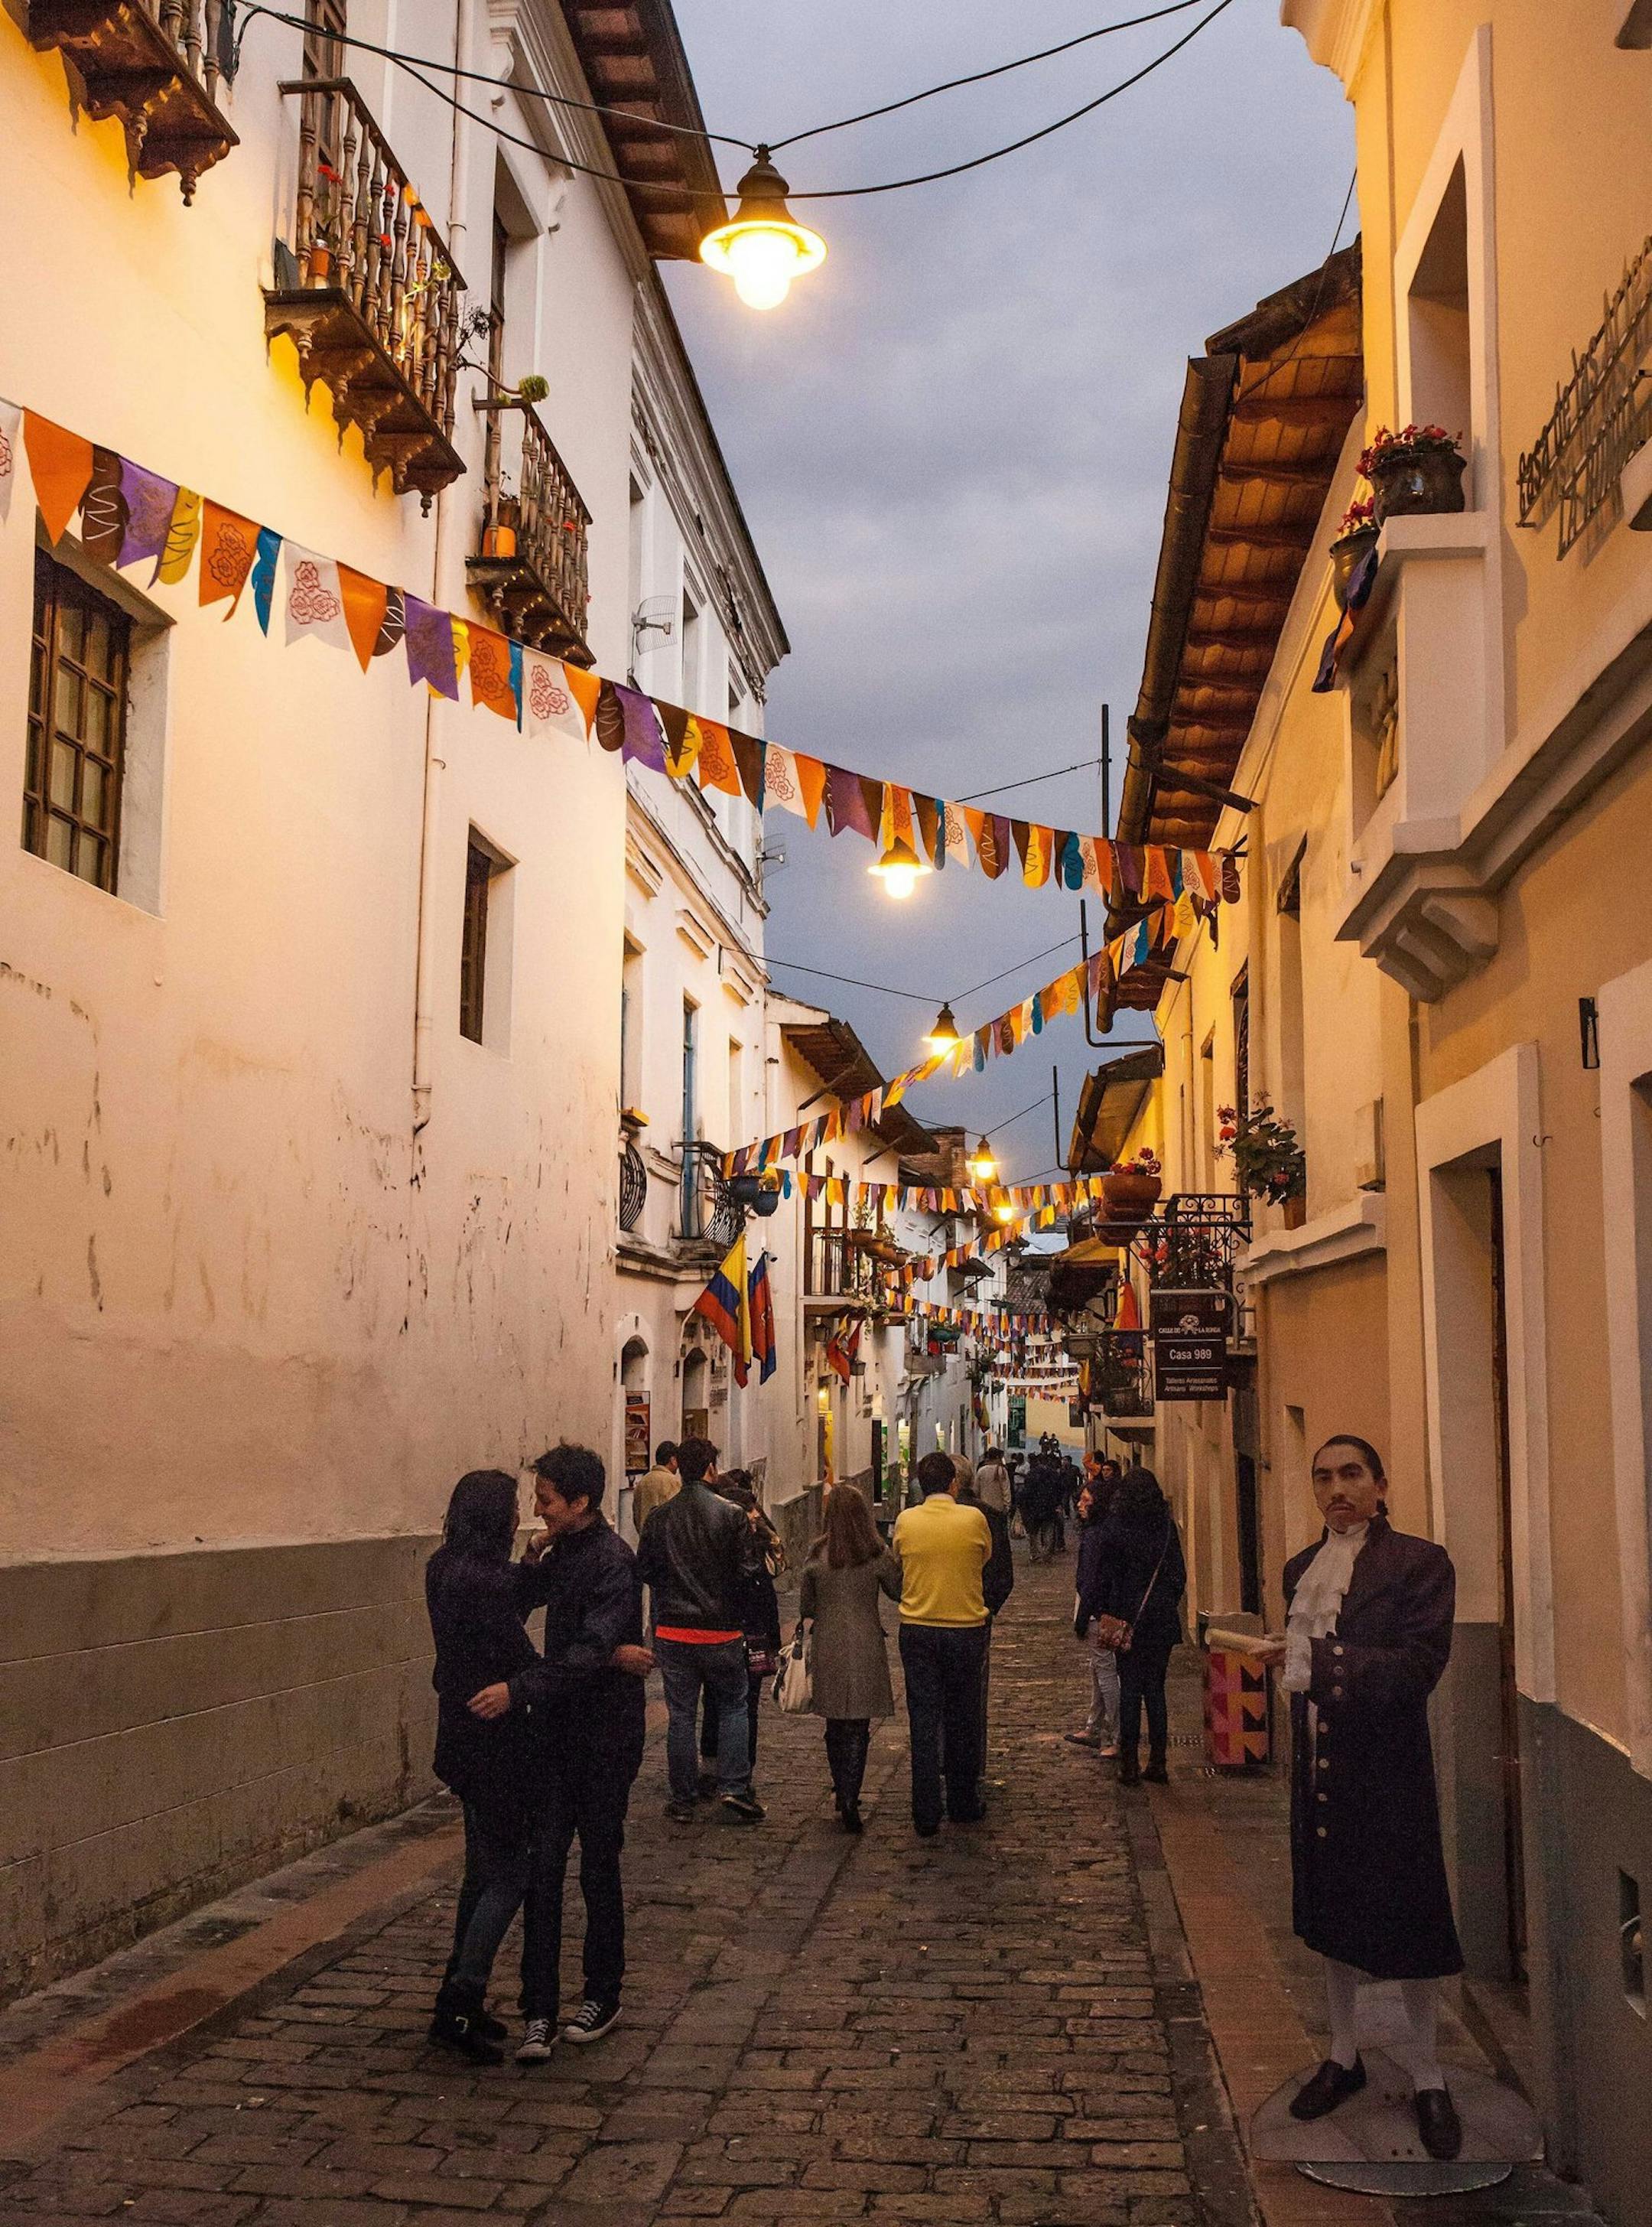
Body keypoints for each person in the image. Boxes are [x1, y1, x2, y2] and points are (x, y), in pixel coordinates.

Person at [1253, 1435, 1465, 2163]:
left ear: (1380, 1482)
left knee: (1409, 1917)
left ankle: (1430, 2073)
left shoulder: (1420, 1563)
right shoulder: (1298, 1568)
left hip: (1389, 1763)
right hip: (1319, 1762)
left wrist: (1318, 1659)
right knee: (1332, 1911)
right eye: (1323, 1477)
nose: (1336, 1488)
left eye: (1350, 1474)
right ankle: (1344, 2055)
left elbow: (1418, 1666)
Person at [467, 1444, 651, 2060]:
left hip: (603, 1737)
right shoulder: (563, 1551)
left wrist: (520, 1688)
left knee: (599, 1864)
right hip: (555, 1735)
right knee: (544, 1869)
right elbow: (519, 1607)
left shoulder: (613, 1563)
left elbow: (587, 1650)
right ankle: (538, 2008)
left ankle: (603, 1991)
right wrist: (530, 1556)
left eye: (546, 1500)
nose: (537, 1509)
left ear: (581, 1502)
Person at [424, 1469, 538, 2064]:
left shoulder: (442, 1566)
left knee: (480, 1869)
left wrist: (533, 1562)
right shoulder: (485, 1581)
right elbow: (517, 1649)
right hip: (494, 1739)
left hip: (459, 1738)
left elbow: (513, 1590)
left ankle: (453, 1998)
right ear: (497, 1517)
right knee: (511, 1873)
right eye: (516, 1508)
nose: (521, 1515)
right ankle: (464, 1997)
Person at [635, 1436, 766, 1825]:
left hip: (674, 1632)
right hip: (722, 1631)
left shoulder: (660, 1519)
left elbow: (646, 1571)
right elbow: (749, 1573)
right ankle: (734, 1786)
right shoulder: (731, 1516)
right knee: (732, 1706)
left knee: (680, 1714)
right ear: (711, 1469)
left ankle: (683, 1797)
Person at [891, 1451, 991, 1836]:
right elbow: (984, 1557)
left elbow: (898, 1561)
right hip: (965, 1629)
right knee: (963, 1718)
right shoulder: (974, 1519)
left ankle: (926, 1809)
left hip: (917, 1629)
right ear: (953, 1484)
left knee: (924, 1720)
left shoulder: (906, 1521)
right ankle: (963, 1803)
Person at [798, 1483, 903, 1831]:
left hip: (829, 1642)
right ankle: (850, 1796)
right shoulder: (875, 1553)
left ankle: (842, 1789)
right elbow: (897, 1591)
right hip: (865, 1643)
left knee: (834, 1725)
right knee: (859, 1726)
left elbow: (807, 1606)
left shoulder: (817, 1554)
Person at [1077, 1465, 1185, 1786]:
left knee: (1130, 1690)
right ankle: (1159, 1762)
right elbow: (1178, 1576)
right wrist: (1163, 1603)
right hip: (1161, 1622)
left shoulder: (1115, 1528)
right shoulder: (1166, 1528)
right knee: (1156, 1691)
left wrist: (1088, 1615)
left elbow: (1100, 1578)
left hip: (1126, 1620)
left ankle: (1129, 1764)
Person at [698, 1467, 782, 1795]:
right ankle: (737, 1775)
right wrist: (772, 1639)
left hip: (730, 1637)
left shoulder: (727, 1550)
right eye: (751, 1510)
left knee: (720, 1705)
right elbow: (764, 1600)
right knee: (742, 1708)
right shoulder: (746, 1556)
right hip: (742, 1639)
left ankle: (718, 1769)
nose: (757, 1514)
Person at [956, 1457, 1015, 1804]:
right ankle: (970, 1772)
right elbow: (1004, 1576)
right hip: (975, 1624)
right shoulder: (990, 1518)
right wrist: (986, 1609)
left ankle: (934, 1778)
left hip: (925, 1626)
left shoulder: (912, 1519)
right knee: (972, 1700)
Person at [1066, 1475, 1120, 1756]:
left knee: (1106, 1673)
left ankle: (1113, 1735)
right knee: (1098, 1670)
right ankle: (1094, 1726)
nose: (1080, 1504)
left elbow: (1092, 1581)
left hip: (1099, 1613)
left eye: (1087, 1500)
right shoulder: (1100, 1531)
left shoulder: (1099, 1536)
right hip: (1098, 1610)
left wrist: (1083, 1615)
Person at [633, 1440, 681, 1533]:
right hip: (665, 1543)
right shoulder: (673, 1482)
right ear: (673, 1460)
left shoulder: (642, 1482)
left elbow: (636, 1516)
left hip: (644, 1541)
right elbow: (677, 1516)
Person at [975, 1447, 1012, 1518]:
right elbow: (1006, 1489)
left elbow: (977, 1490)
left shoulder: (981, 1470)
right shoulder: (1002, 1471)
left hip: (984, 1506)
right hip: (999, 1508)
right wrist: (1007, 1505)